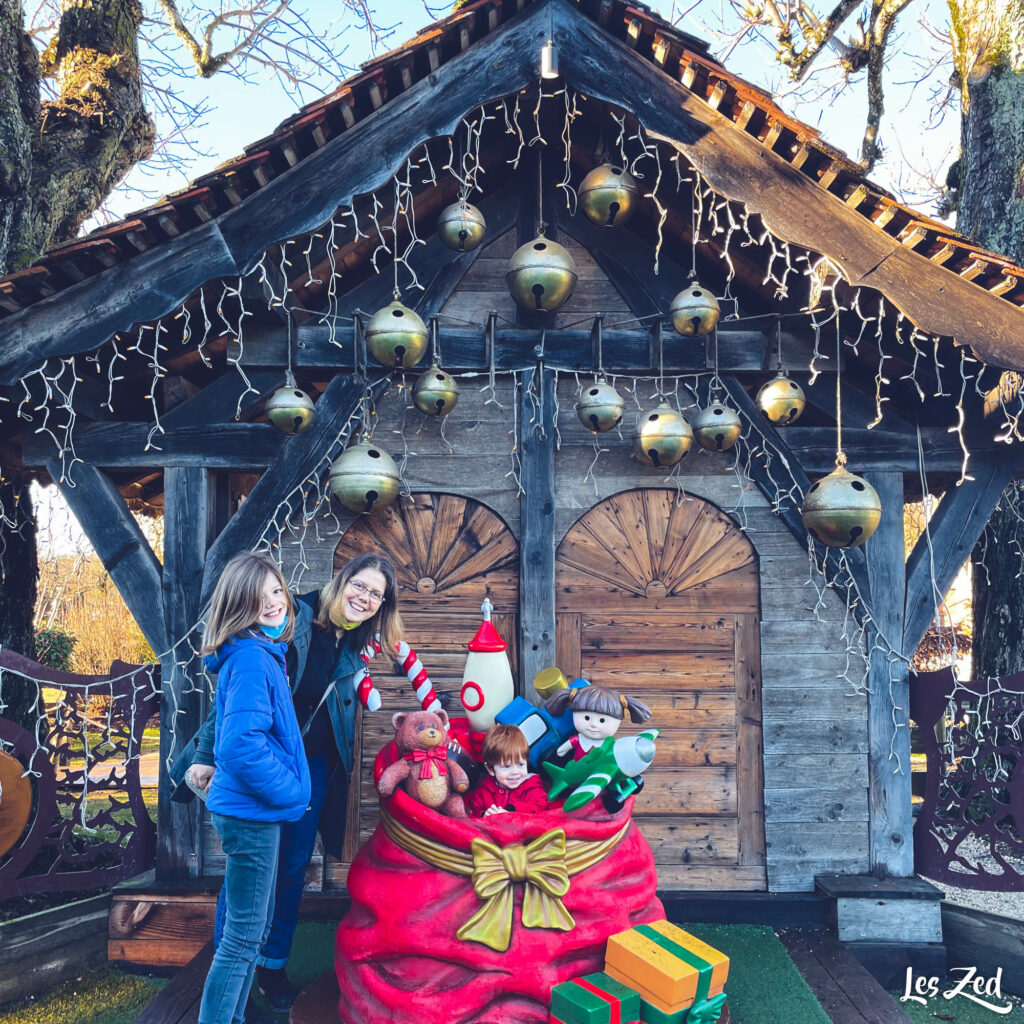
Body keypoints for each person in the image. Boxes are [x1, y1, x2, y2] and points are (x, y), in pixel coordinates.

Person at [171, 551, 439, 1017]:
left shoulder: (358, 645)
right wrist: (204, 754)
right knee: (254, 870)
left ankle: (271, 965)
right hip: (263, 760)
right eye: (361, 585)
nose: (365, 597)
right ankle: (231, 969)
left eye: (376, 595)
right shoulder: (291, 617)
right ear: (343, 579)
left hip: (311, 766)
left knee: (292, 867)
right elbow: (234, 700)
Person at [196, 551, 311, 1024]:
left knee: (253, 930)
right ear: (237, 603)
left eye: (277, 590)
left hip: (252, 813)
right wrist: (291, 792)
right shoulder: (249, 659)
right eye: (258, 595)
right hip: (252, 815)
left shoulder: (262, 653)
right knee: (244, 936)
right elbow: (240, 746)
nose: (273, 602)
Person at [546, 685, 652, 760]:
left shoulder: (610, 744)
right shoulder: (578, 739)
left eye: (602, 720)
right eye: (587, 718)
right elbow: (561, 751)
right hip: (577, 771)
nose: (593, 724)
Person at [465, 723, 548, 817]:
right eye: (506, 767)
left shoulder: (532, 789)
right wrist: (484, 815)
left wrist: (512, 811)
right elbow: (471, 811)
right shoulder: (484, 792)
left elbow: (541, 807)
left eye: (520, 764)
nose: (515, 772)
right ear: (490, 769)